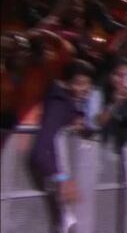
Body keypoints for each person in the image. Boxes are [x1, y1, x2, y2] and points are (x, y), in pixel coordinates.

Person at [29, 59, 95, 204]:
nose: (86, 88)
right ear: (66, 83)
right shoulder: (57, 104)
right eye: (80, 83)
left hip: (64, 181)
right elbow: (39, 151)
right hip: (52, 184)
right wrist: (61, 178)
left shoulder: (71, 104)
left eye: (88, 83)